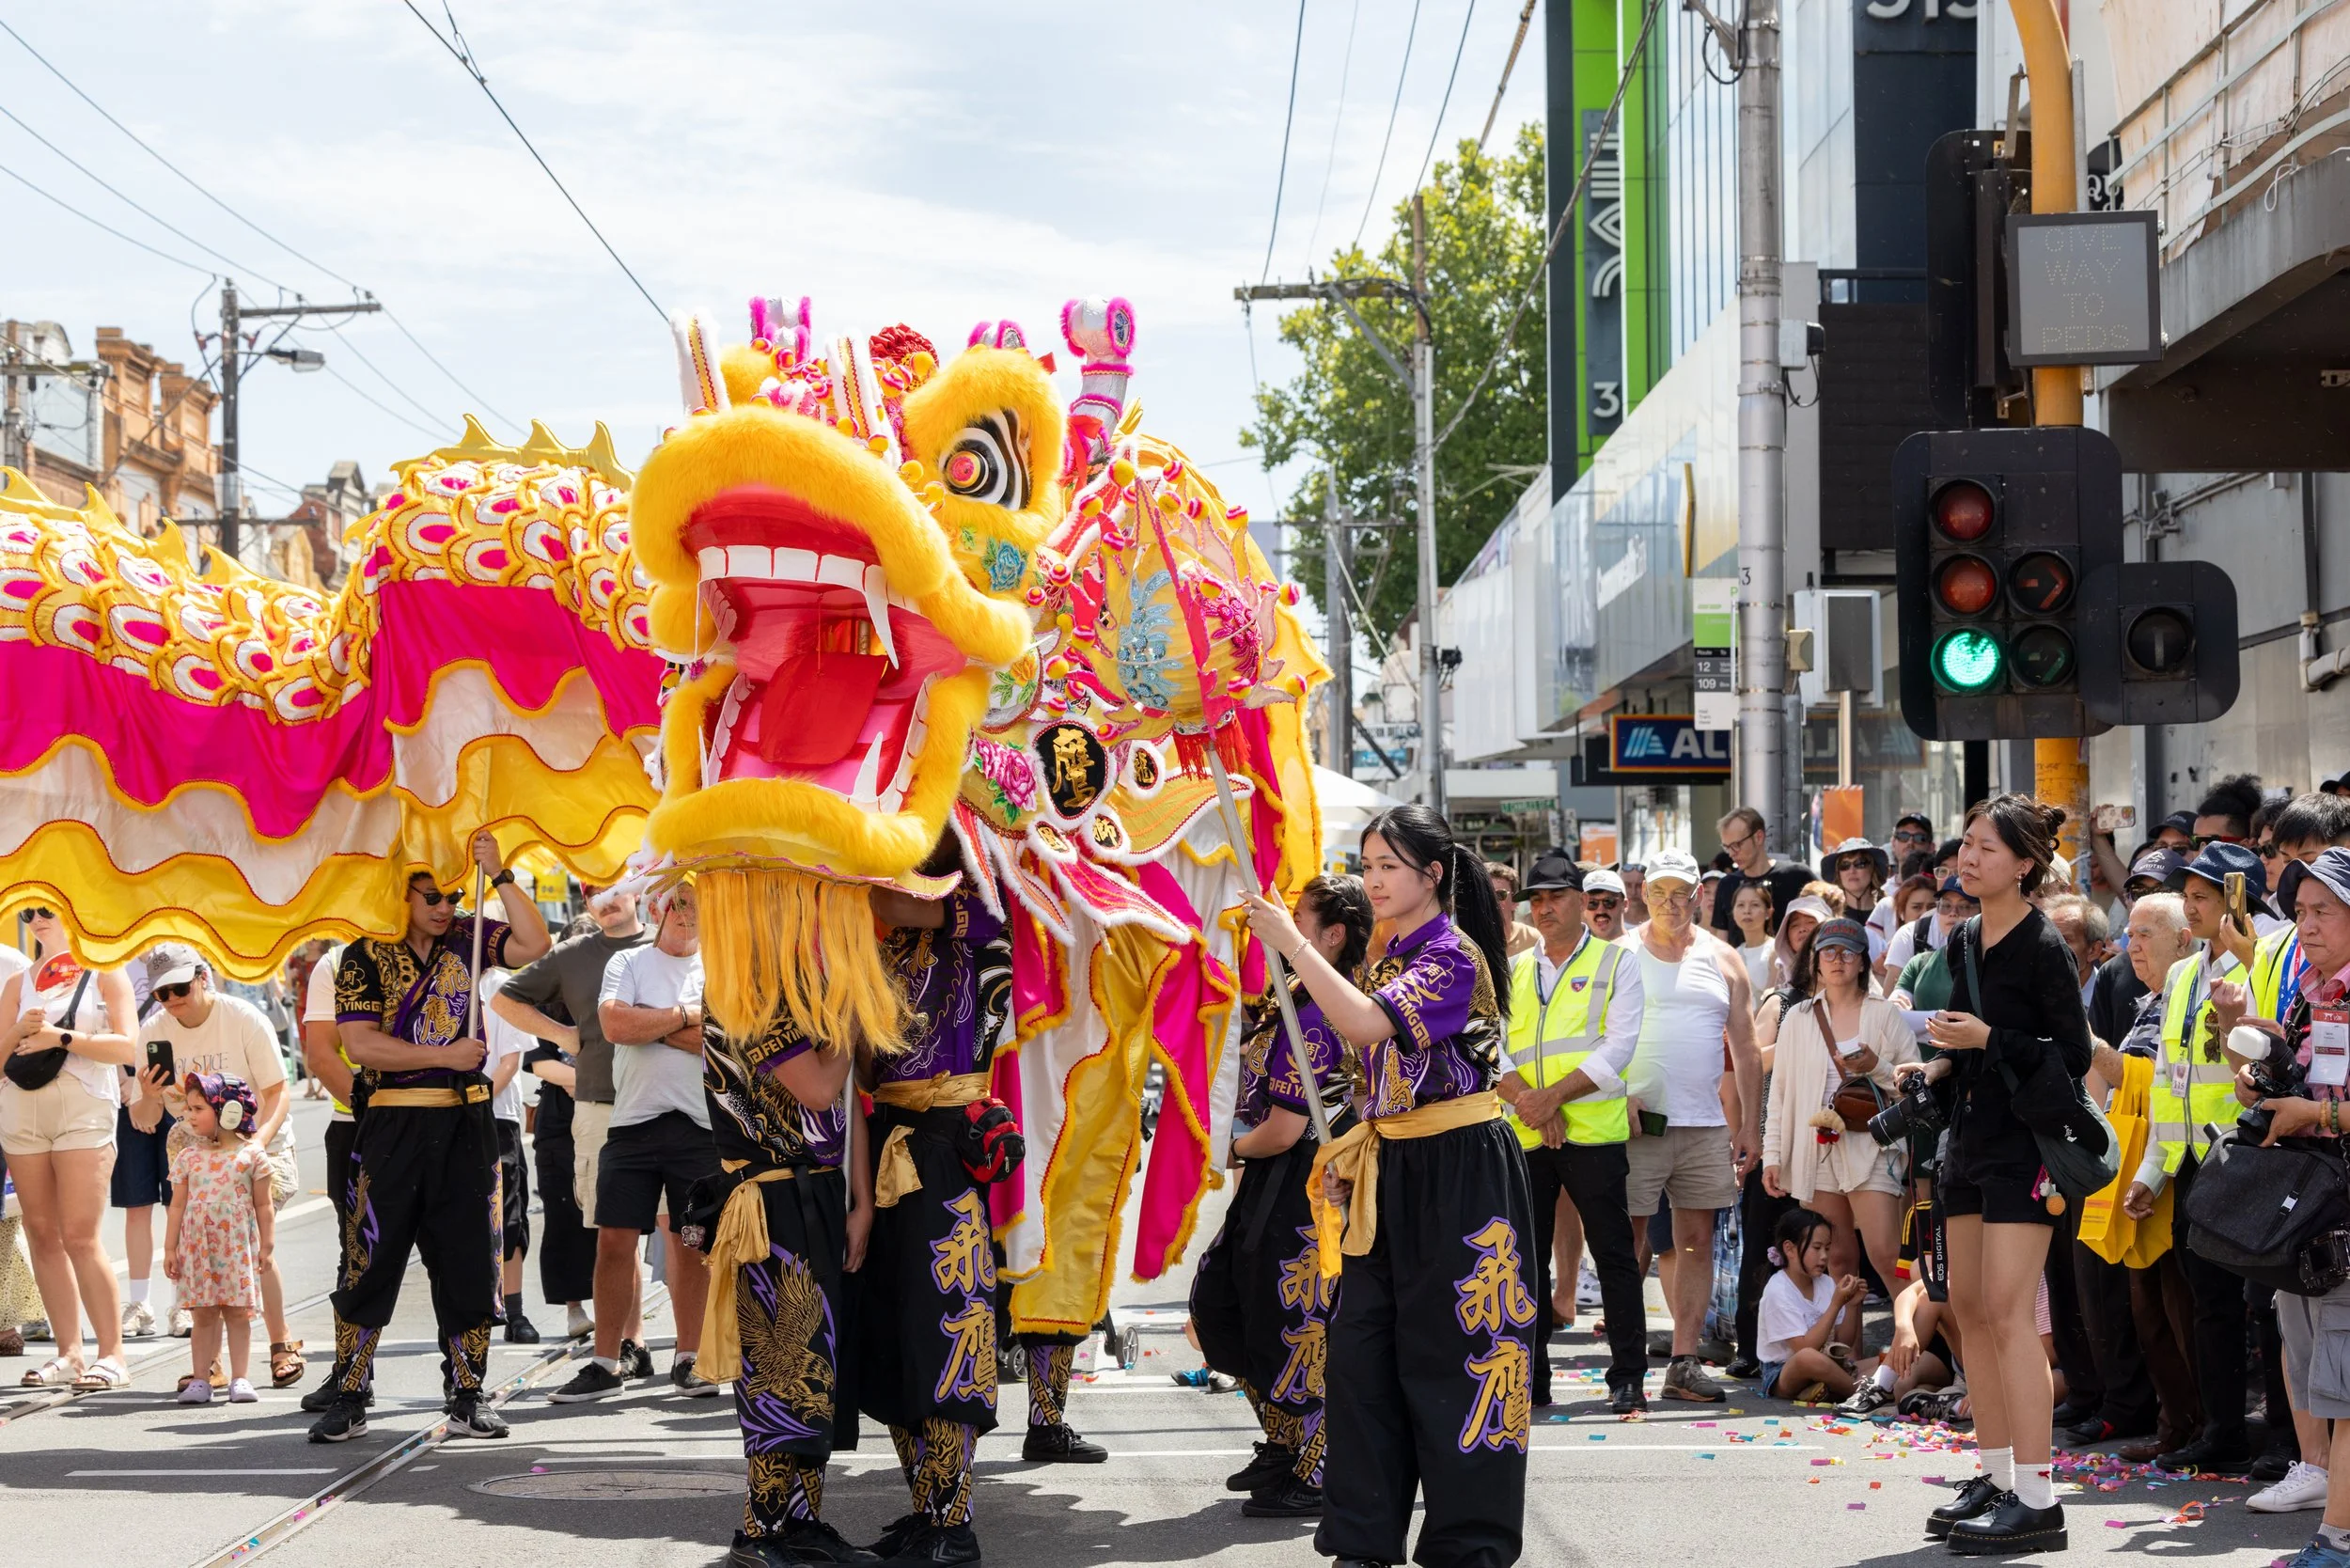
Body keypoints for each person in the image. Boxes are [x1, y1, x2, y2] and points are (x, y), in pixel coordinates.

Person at [1240, 804, 1531, 1568]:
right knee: (1361, 1358)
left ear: (1432, 875)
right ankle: (1362, 1542)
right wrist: (1346, 1153)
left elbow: (1369, 1026)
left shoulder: (1451, 954)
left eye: (1389, 867)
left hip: (1463, 1171)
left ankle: (1468, 1547)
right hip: (1390, 1164)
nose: (1374, 881)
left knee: (1458, 1358)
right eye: (1367, 867)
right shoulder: (1384, 954)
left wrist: (1295, 944)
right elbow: (1354, 1069)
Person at [308, 833, 552, 1443]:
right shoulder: (363, 955)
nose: (444, 907)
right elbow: (361, 1045)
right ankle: (350, 1390)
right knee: (371, 1260)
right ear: (401, 898)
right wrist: (443, 1053)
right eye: (429, 898)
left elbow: (534, 943)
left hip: (467, 1123)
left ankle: (469, 1391)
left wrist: (497, 874)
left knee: (470, 1261)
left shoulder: (470, 938)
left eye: (448, 895)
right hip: (393, 1123)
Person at [1905, 795, 2090, 1552]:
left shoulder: (2045, 944)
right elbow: (1974, 1044)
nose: (1969, 858)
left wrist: (1991, 1038)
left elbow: (2073, 1056)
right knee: (1970, 1311)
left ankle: (2039, 1500)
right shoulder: (1964, 936)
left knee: (2012, 1314)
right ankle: (1997, 1474)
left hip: (2026, 1146)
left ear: (2025, 864)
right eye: (1967, 845)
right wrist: (1939, 1060)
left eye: (1986, 848)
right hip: (1970, 1139)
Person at [693, 892, 874, 1568]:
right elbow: (822, 1089)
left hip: (819, 1192)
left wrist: (861, 1203)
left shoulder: (803, 989)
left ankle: (801, 1523)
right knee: (781, 1368)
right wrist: (855, 1020)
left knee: (817, 1370)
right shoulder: (747, 992)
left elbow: (843, 1108)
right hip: (771, 1202)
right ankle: (758, 1529)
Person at [1191, 875, 1368, 1522]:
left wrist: (1225, 1153)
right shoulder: (1296, 996)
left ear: (1333, 935)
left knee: (1292, 1329)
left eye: (1297, 918)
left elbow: (1286, 1129)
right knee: (1222, 1302)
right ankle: (1286, 1443)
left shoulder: (1315, 1013)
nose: (1279, 925)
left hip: (1301, 1186)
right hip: (1277, 1181)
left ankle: (1312, 1465)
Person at [2215, 848, 2350, 1564]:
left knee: (2344, 1372)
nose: (2308, 926)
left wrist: (2315, 1115)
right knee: (2307, 1359)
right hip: (2303, 1212)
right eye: (2300, 912)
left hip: (2341, 1205)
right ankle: (2328, 1503)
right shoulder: (2305, 992)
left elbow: (2327, 1104)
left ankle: (2336, 1536)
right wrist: (2257, 1078)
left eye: (2323, 911)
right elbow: (2284, 1085)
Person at [2122, 840, 2269, 1474]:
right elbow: (2168, 1079)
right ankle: (2223, 1431)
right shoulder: (2184, 974)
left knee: (2264, 1307)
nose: (2194, 903)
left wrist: (2250, 958)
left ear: (2240, 900)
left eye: (2206, 894)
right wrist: (2153, 1172)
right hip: (2191, 1170)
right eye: (2190, 894)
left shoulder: (2261, 961)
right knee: (2208, 1306)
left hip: (2250, 1158)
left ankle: (2287, 1444)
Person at [550, 883, 717, 1401]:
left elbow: (722, 1039)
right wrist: (687, 1016)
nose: (688, 914)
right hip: (632, 1124)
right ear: (659, 909)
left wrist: (653, 1023)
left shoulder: (717, 966)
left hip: (697, 1126)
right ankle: (606, 1361)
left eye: (696, 904)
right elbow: (616, 1025)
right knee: (613, 1242)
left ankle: (690, 1358)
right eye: (680, 903)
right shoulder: (628, 963)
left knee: (691, 1244)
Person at [1496, 850, 1649, 1415]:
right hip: (1528, 1133)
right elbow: (1492, 1048)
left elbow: (1620, 1046)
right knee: (1525, 1261)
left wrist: (1552, 1099)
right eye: (1536, 898)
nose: (1545, 908)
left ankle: (1627, 1376)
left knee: (1614, 1258)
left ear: (1582, 903)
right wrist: (1533, 1106)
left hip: (1591, 1133)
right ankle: (1530, 1376)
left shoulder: (1617, 963)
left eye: (1556, 896)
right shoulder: (1513, 969)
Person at [491, 885, 652, 1372]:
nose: (605, 899)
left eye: (615, 889)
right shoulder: (572, 956)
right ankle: (622, 1347)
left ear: (638, 892)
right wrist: (567, 1037)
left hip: (672, 1107)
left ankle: (680, 1350)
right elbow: (506, 1000)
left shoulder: (666, 946)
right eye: (593, 892)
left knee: (681, 1234)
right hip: (596, 1110)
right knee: (613, 1233)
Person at [1759, 917, 1916, 1403]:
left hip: (1870, 1146)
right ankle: (1845, 1364)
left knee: (1889, 1256)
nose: (1839, 960)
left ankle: (1912, 1346)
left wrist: (1878, 1067)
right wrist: (1771, 1155)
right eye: (1829, 952)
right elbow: (1780, 1093)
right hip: (1815, 1147)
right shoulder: (1800, 1017)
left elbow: (1913, 1082)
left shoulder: (1884, 1014)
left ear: (1863, 960)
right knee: (1836, 1258)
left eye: (1849, 952)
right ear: (1815, 961)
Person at [1622, 850, 1760, 1404]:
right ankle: (1626, 1364)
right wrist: (1614, 1094)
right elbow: (1593, 1033)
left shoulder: (1724, 958)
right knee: (1627, 1245)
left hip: (1704, 1123)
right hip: (1635, 1123)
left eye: (1681, 892)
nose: (1670, 903)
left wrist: (1749, 1125)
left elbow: (1746, 1049)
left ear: (1700, 894)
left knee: (1697, 1243)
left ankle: (1683, 1360)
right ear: (1645, 895)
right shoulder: (1619, 955)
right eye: (1659, 892)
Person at [133, 947, 306, 1388]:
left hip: (257, 1144)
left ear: (202, 977)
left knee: (247, 1244)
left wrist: (254, 1149)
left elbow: (278, 1090)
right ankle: (208, 1361)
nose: (171, 1000)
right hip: (195, 1152)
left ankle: (280, 1341)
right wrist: (149, 1094)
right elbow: (147, 1120)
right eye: (160, 993)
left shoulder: (242, 1017)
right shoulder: (153, 1030)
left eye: (179, 988)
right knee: (198, 1251)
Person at [2, 903, 137, 1390]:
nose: (37, 920)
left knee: (80, 1233)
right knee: (41, 1232)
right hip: (21, 1110)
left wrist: (60, 1035)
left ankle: (113, 1354)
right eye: (28, 912)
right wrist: (18, 1032)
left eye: (48, 910)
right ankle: (69, 1353)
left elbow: (128, 1047)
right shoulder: (18, 982)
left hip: (84, 1109)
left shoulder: (104, 969)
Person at [2098, 893, 2208, 1467]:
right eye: (2129, 933)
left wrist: (2072, 1030)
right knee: (2150, 1312)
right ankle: (2178, 1426)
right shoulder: (2149, 1003)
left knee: (2181, 1308)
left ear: (2184, 939)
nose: (2130, 945)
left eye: (2145, 933)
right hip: (2145, 1168)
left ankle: (2202, 1429)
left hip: (2185, 1167)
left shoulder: (2198, 997)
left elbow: (2133, 1075)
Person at [164, 1072, 274, 1407]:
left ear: (228, 1111)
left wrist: (267, 1246)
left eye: (198, 1108)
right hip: (199, 1248)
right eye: (188, 1109)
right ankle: (201, 1378)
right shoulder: (188, 1158)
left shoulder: (252, 1156)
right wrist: (170, 1248)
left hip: (235, 1247)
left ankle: (240, 1377)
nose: (189, 1116)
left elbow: (263, 1204)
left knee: (238, 1313)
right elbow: (177, 1204)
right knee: (203, 1314)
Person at [478, 967, 540, 1343]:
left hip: (497, 1115)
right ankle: (476, 1305)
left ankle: (514, 1310)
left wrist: (477, 1102)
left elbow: (510, 1060)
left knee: (509, 1213)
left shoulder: (501, 984)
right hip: (446, 1114)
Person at [1755, 1207, 1870, 1403]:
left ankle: (1829, 1388)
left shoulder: (1825, 1283)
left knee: (1914, 1362)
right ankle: (1862, 1395)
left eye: (1827, 1248)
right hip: (1784, 1371)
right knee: (1808, 1358)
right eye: (1816, 1248)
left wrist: (1851, 1306)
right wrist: (1835, 1304)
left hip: (1829, 1363)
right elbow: (1804, 1349)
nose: (1824, 1256)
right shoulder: (1778, 1290)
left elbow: (1844, 1343)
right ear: (1789, 1249)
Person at [1710, 808, 1814, 946]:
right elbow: (1720, 942)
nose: (1731, 854)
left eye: (1736, 845)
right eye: (1727, 847)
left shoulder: (1798, 876)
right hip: (1740, 965)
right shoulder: (1727, 884)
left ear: (1758, 837)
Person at [1821, 838, 1894, 962]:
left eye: (1860, 863)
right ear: (1838, 873)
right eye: (1844, 865)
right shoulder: (1827, 916)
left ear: (1873, 869)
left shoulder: (1890, 912)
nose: (1852, 870)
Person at [1729, 881, 1777, 1000]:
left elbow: (1771, 999)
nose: (1747, 911)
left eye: (1755, 905)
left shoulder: (1776, 950)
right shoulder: (1732, 953)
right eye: (1740, 905)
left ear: (1768, 912)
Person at [1489, 863, 1542, 959]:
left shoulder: (1536, 940)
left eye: (1500, 895)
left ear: (1515, 902)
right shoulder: (1464, 942)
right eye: (1485, 894)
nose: (1491, 901)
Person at [1581, 869, 1630, 943]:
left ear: (1625, 905)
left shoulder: (1641, 950)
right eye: (1592, 903)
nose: (1600, 910)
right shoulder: (1576, 952)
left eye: (1608, 902)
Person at [1619, 863, 1650, 930]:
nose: (1633, 892)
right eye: (1628, 885)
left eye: (1639, 886)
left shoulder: (1657, 918)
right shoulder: (1612, 916)